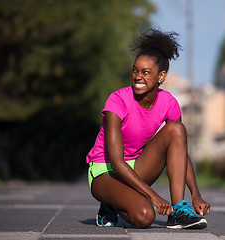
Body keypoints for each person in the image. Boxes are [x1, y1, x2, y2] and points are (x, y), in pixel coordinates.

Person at [86, 29, 210, 229]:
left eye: (145, 72)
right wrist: (154, 197)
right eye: (135, 70)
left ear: (161, 76)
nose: (137, 77)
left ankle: (178, 211)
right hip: (105, 171)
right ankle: (110, 201)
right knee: (145, 217)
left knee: (177, 130)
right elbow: (117, 162)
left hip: (137, 167)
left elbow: (180, 151)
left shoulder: (169, 103)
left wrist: (196, 195)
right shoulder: (117, 101)